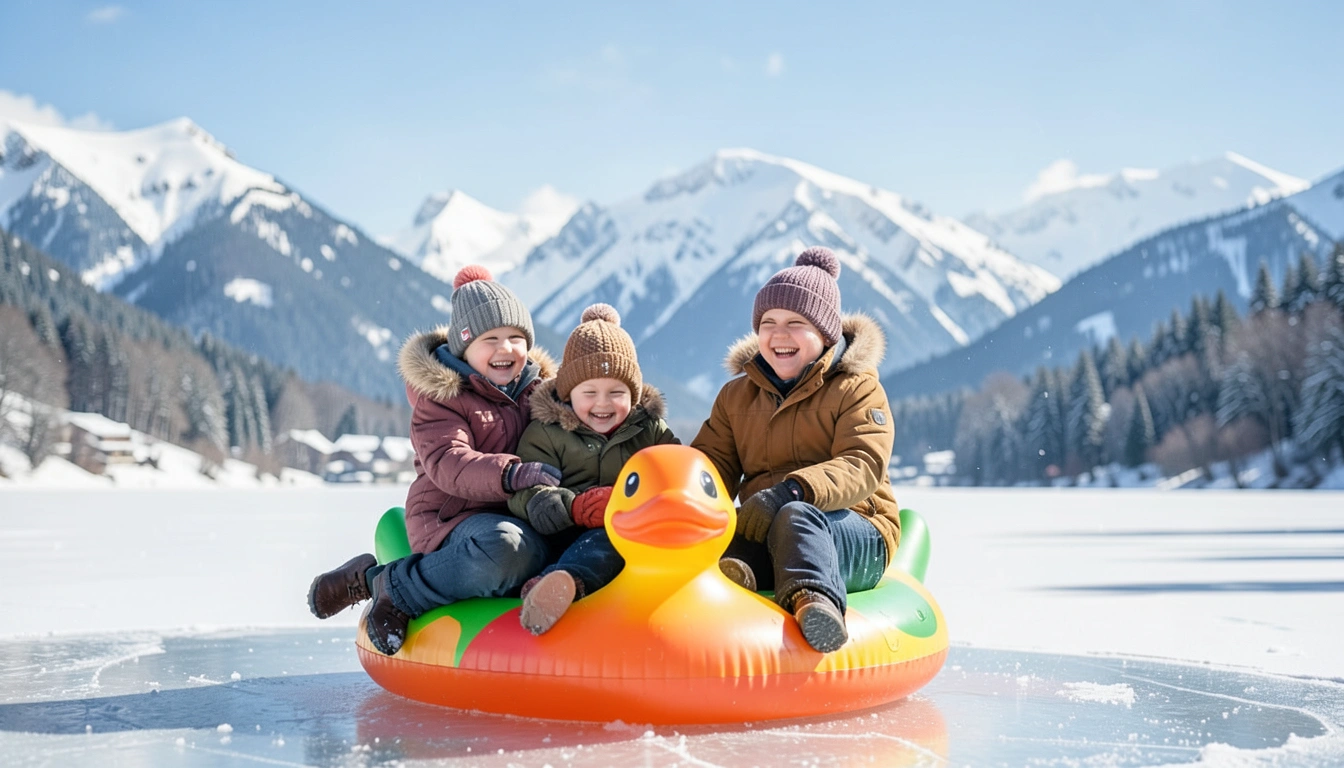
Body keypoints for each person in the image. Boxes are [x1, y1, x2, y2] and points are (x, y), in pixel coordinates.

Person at [306, 265, 558, 655]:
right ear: (463, 347)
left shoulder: (539, 393)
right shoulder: (441, 399)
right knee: (506, 550)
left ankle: (368, 577)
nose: (506, 349)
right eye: (490, 339)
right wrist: (511, 472)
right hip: (449, 518)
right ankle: (397, 588)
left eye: (515, 337)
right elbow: (449, 462)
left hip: (522, 514)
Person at [691, 246, 900, 653]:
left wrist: (791, 491)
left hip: (855, 531)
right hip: (766, 524)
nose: (778, 335)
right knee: (721, 530)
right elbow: (709, 468)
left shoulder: (857, 388)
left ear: (825, 334)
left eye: (795, 323)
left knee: (795, 518)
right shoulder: (737, 397)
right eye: (767, 323)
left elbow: (862, 465)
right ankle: (739, 575)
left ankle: (815, 605)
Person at [506, 303, 680, 634]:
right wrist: (573, 507)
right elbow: (527, 490)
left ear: (634, 394)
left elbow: (675, 473)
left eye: (616, 392)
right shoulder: (546, 432)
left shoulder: (650, 430)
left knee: (623, 537)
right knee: (606, 539)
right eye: (589, 392)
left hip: (632, 536)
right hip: (561, 535)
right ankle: (559, 586)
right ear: (568, 393)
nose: (603, 403)